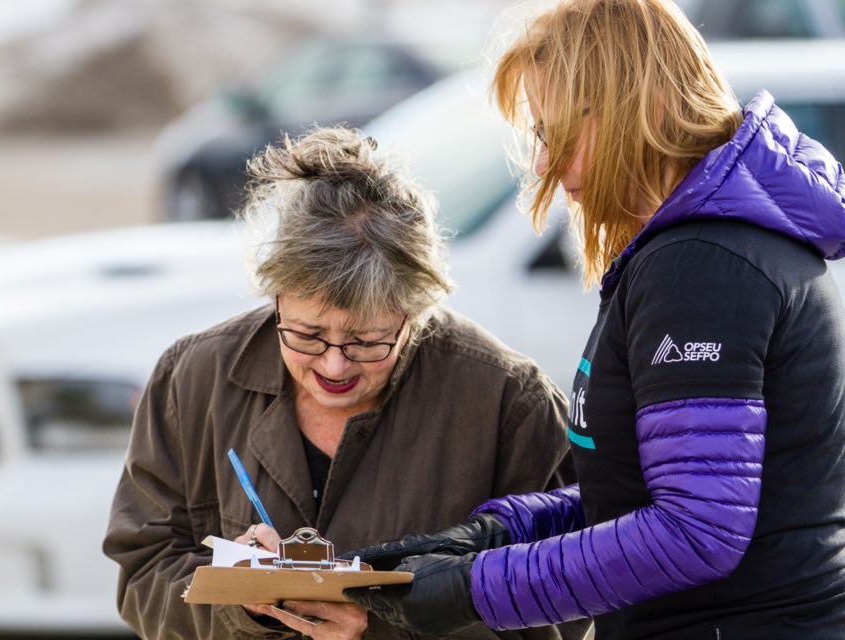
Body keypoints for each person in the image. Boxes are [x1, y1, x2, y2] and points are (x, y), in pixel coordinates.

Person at [341, 0, 845, 638]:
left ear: (647, 107)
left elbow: (697, 532)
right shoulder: (700, 250)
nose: (547, 167)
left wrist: (473, 589)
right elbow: (635, 496)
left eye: (557, 136)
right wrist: (493, 535)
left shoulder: (704, 264)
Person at [102, 126, 589, 640]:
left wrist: (381, 628)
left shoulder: (509, 403)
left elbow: (561, 616)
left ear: (416, 311)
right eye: (307, 335)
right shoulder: (192, 378)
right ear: (275, 300)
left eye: (367, 341)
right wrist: (242, 606)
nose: (334, 367)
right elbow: (142, 572)